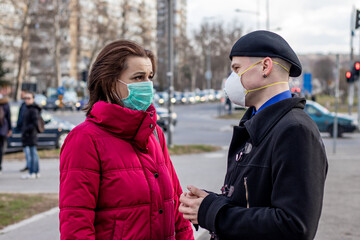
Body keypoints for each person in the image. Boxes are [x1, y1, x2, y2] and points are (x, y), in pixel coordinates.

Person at [179, 30, 328, 240]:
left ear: (265, 67)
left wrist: (213, 213)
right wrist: (208, 203)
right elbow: (252, 202)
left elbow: (294, 226)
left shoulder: (295, 130)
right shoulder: (259, 124)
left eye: (236, 69)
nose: (231, 79)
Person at [59, 40, 194, 239]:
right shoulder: (85, 139)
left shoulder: (154, 132)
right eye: (138, 77)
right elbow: (76, 224)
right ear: (110, 81)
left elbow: (174, 202)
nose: (147, 85)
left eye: (149, 77)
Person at [21, 92, 41, 179]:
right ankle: (35, 172)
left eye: (29, 98)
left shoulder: (33, 109)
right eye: (25, 98)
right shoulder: (27, 108)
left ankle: (33, 171)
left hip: (31, 134)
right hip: (29, 134)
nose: (27, 100)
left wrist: (27, 130)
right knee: (33, 153)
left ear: (33, 99)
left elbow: (35, 123)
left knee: (33, 154)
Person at [0, 80, 12, 174]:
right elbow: (8, 117)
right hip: (3, 129)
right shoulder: (6, 102)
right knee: (0, 149)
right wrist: (9, 129)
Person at [16, 90, 29, 172]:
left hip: (28, 132)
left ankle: (32, 169)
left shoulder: (28, 107)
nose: (21, 95)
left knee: (30, 151)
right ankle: (29, 166)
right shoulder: (23, 105)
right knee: (27, 150)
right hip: (24, 130)